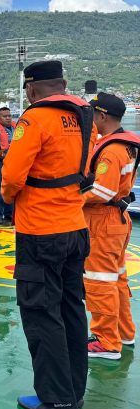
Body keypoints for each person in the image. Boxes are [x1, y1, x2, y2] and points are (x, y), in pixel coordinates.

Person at [2, 60, 96, 409]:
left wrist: (10, 198)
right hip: (75, 227)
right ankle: (74, 391)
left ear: (30, 89)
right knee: (72, 310)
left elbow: (12, 177)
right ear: (64, 84)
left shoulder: (35, 119)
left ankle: (58, 399)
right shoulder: (84, 117)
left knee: (42, 314)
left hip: (41, 231)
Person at [82, 92, 138, 360]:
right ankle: (124, 334)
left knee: (99, 281)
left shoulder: (112, 150)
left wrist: (71, 199)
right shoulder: (126, 145)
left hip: (103, 221)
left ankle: (106, 342)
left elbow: (103, 191)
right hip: (118, 220)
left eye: (92, 114)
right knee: (117, 279)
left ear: (102, 116)